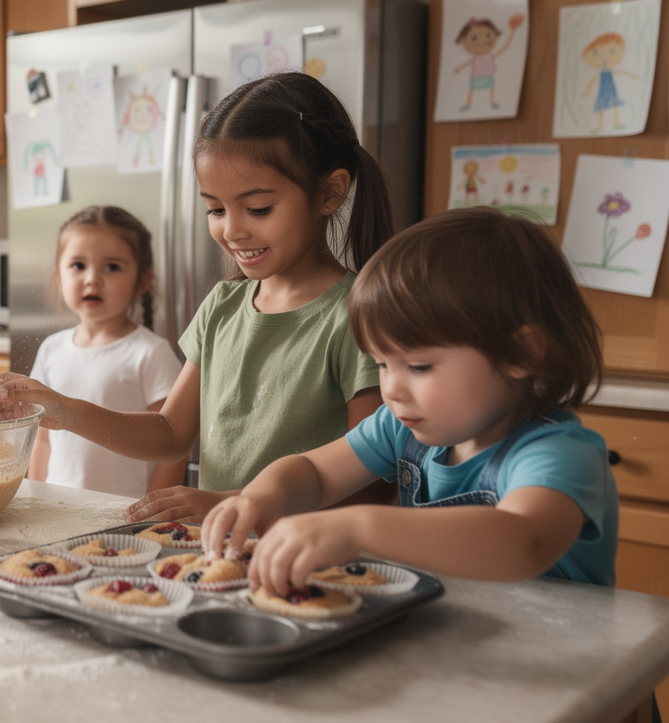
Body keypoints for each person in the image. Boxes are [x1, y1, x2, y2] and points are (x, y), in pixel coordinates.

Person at [0, 71, 397, 522]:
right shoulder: (223, 307)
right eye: (216, 209)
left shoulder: (357, 316)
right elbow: (170, 433)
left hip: (310, 564)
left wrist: (231, 505)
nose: (232, 230)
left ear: (330, 193)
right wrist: (65, 409)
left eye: (258, 209)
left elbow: (371, 484)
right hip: (217, 553)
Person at [201, 207, 617, 594]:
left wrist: (358, 527)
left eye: (419, 367)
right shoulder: (400, 429)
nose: (392, 390)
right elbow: (314, 471)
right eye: (383, 364)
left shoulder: (559, 454)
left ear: (521, 354)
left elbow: (524, 541)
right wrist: (261, 496)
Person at [27, 205, 187, 498]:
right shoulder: (51, 349)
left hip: (124, 517)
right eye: (78, 265)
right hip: (59, 510)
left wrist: (151, 513)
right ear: (60, 278)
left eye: (111, 267)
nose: (92, 278)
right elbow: (43, 438)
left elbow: (174, 448)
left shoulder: (150, 353)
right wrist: (36, 498)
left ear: (142, 281)